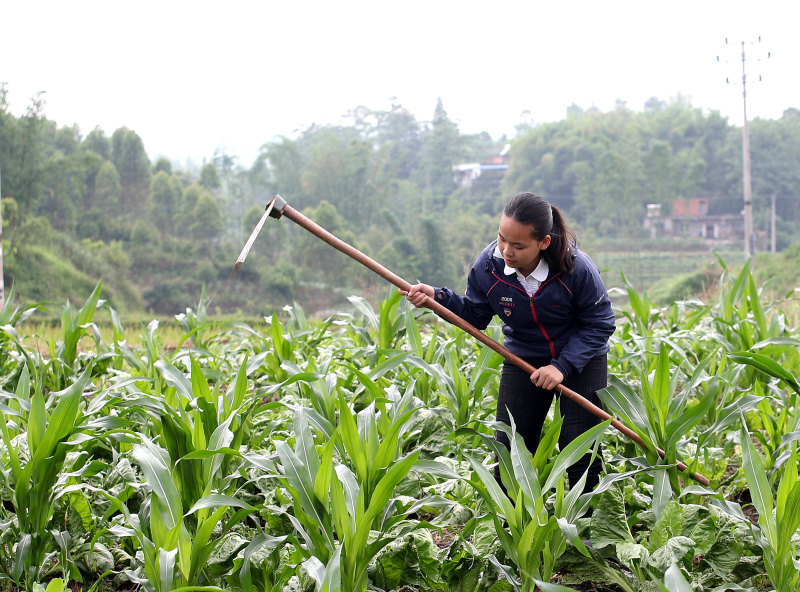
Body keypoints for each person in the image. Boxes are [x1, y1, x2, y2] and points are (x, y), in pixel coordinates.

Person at [401, 192, 615, 493]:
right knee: (511, 445)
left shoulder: (576, 268)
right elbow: (475, 315)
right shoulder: (489, 267)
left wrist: (562, 367)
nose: (506, 250)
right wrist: (437, 299)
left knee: (580, 447)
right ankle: (512, 526)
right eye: (502, 238)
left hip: (579, 360)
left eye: (518, 245)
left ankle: (592, 525)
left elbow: (600, 323)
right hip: (523, 359)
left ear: (543, 243)